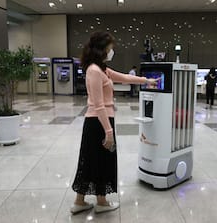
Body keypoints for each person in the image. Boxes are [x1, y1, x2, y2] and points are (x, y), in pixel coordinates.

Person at [70, 31, 158, 215]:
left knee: (90, 160)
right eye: (110, 49)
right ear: (101, 50)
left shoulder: (102, 69)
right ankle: (101, 202)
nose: (112, 52)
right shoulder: (94, 71)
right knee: (102, 161)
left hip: (99, 122)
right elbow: (98, 104)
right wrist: (108, 132)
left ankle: (80, 201)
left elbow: (124, 78)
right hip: (98, 123)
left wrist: (146, 80)